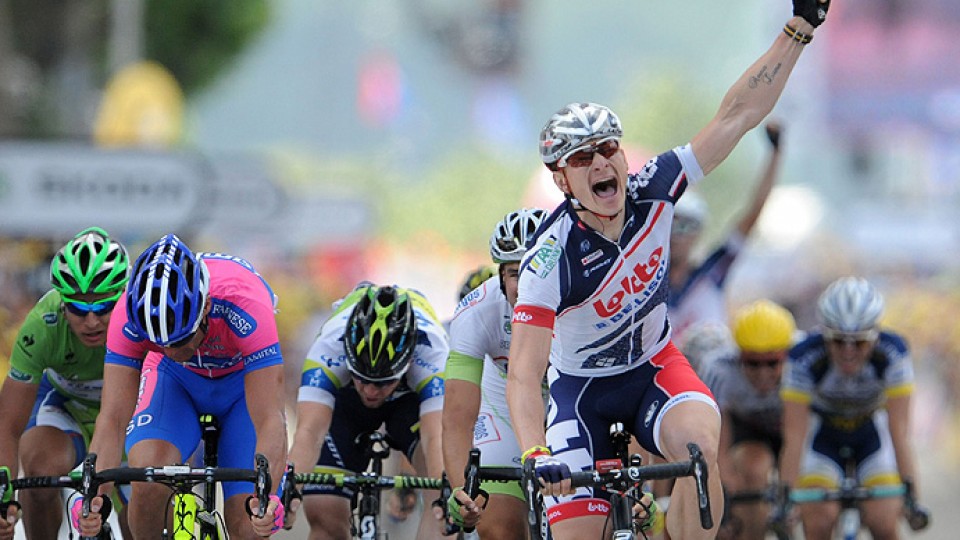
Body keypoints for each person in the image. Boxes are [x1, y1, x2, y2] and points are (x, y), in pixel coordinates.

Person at [505, 2, 831, 538]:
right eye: (582, 158)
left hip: (654, 367)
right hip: (581, 392)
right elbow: (523, 372)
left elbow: (737, 115)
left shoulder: (655, 187)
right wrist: (535, 451)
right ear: (562, 180)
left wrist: (797, 31)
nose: (602, 163)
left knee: (702, 446)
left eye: (608, 147)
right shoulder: (550, 256)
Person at [77, 234, 287, 539]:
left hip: (241, 389)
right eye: (159, 341)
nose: (172, 349)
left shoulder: (245, 304)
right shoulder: (129, 314)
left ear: (206, 308)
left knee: (249, 523)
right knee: (148, 477)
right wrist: (93, 499)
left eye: (181, 339)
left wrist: (266, 498)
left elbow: (271, 417)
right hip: (174, 381)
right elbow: (112, 418)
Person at [288, 283, 448, 539]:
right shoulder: (328, 347)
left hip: (407, 404)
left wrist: (446, 495)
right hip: (347, 402)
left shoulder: (433, 353)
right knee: (323, 509)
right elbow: (308, 433)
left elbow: (436, 438)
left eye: (384, 382)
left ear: (407, 362)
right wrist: (288, 490)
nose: (372, 391)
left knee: (442, 498)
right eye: (362, 378)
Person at [0, 227, 132, 540]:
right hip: (65, 406)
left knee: (145, 498)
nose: (91, 321)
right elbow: (7, 425)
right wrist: (3, 499)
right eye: (78, 307)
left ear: (122, 299)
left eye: (103, 307)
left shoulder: (139, 321)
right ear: (62, 303)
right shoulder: (41, 326)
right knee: (39, 471)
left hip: (127, 412)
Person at [777, 277, 927, 540]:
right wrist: (786, 497)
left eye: (858, 342)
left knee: (883, 520)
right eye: (837, 341)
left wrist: (912, 497)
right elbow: (795, 435)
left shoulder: (894, 352)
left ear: (875, 335)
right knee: (819, 521)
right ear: (824, 334)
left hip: (871, 435)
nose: (848, 352)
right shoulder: (802, 357)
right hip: (824, 437)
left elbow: (899, 430)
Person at [442, 208, 549, 538]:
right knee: (499, 528)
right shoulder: (477, 311)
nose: (527, 284)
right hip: (504, 407)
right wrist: (462, 491)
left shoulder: (586, 303)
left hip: (567, 406)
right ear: (500, 275)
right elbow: (458, 417)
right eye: (516, 273)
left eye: (538, 270)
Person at [668, 121, 784, 346]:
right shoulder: (644, 283)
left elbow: (753, 215)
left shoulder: (713, 272)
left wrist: (775, 154)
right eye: (670, 226)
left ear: (698, 233)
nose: (675, 236)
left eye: (685, 227)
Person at [703, 300, 796, 540]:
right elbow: (716, 432)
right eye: (753, 363)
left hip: (794, 429)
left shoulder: (801, 363)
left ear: (786, 355)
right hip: (747, 432)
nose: (763, 373)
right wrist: (727, 479)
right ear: (739, 356)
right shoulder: (720, 370)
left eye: (772, 363)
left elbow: (800, 433)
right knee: (753, 468)